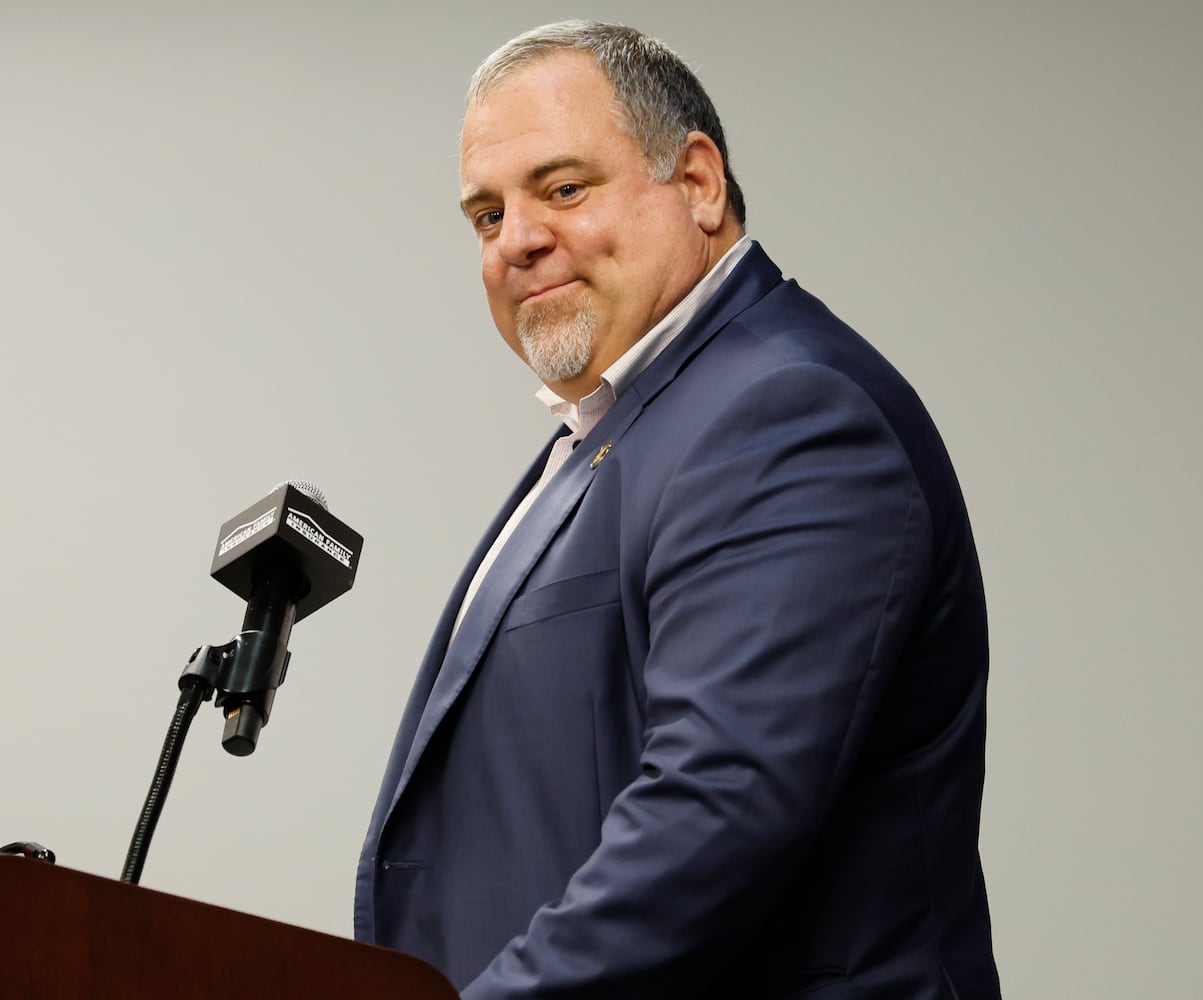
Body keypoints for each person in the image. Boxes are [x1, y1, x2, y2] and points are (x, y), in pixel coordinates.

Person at [354, 20, 1001, 1000]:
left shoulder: (782, 412)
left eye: (563, 188)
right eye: (486, 216)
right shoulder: (632, 422)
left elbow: (716, 812)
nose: (519, 239)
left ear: (697, 182)